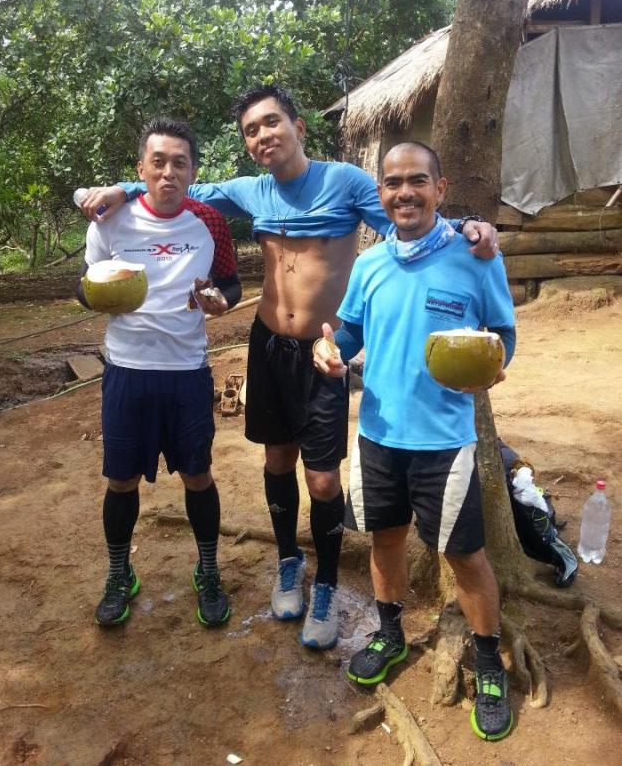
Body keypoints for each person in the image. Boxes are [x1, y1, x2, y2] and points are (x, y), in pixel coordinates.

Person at [79, 85, 499, 650]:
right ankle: (286, 564)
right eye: (251, 130)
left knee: (323, 479)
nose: (262, 136)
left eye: (271, 123)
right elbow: (178, 185)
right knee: (276, 459)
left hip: (325, 350)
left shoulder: (347, 182)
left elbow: (415, 222)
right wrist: (123, 187)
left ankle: (324, 582)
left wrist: (473, 225)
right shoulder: (250, 191)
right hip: (268, 344)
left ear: (299, 127)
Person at [313, 141, 516, 741]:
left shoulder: (475, 256)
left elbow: (503, 331)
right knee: (386, 540)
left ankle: (487, 662)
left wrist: (497, 362)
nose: (405, 192)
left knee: (464, 556)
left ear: (440, 187)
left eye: (417, 181)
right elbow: (350, 329)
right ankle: (392, 632)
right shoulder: (371, 264)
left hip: (445, 441)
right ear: (381, 193)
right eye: (393, 182)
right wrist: (332, 350)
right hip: (377, 434)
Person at [78, 117, 241, 628]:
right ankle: (119, 573)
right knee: (121, 479)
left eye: (180, 162)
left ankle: (209, 570)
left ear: (193, 170)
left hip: (187, 371)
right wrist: (103, 294)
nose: (168, 172)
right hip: (127, 370)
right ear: (140, 169)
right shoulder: (110, 221)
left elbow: (231, 286)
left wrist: (219, 301)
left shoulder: (210, 222)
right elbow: (83, 287)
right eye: (158, 161)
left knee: (198, 475)